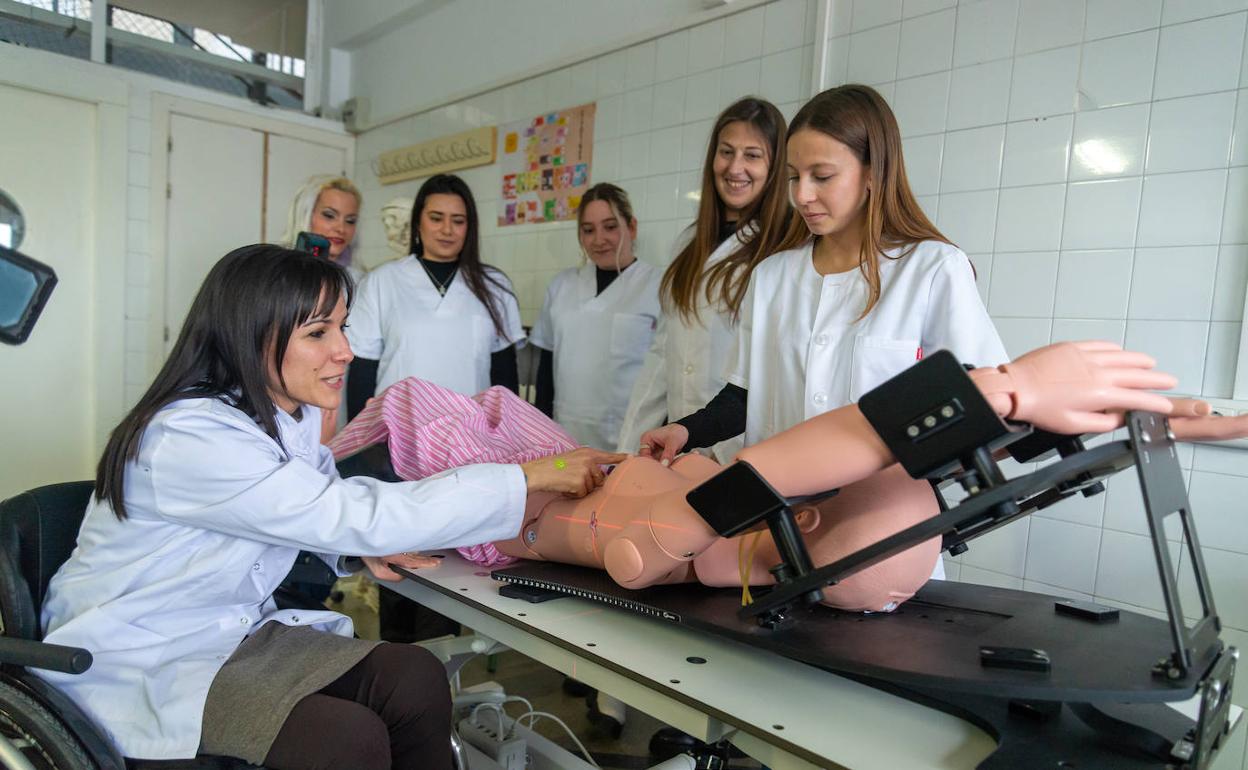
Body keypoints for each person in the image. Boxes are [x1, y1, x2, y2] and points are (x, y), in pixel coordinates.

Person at [36, 245, 622, 769]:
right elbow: (343, 510)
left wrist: (357, 550)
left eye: (343, 327)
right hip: (140, 657)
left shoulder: (280, 419)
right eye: (319, 333)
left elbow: (315, 513)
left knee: (414, 676)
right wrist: (523, 476)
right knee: (344, 739)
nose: (345, 351)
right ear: (250, 335)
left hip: (224, 634)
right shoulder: (190, 435)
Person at [329, 342, 1245, 611]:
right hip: (680, 532)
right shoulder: (678, 537)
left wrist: (1169, 417)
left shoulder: (536, 470)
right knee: (822, 509)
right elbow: (781, 475)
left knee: (880, 484)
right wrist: (1003, 392)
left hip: (698, 502)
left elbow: (800, 470)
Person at [640, 86, 1008, 586]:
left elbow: (980, 400)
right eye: (793, 177)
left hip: (883, 539)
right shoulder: (773, 277)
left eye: (823, 176)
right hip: (775, 532)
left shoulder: (931, 269)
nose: (802, 195)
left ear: (873, 173)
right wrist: (687, 430)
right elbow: (744, 394)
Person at [617, 97, 795, 463]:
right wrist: (629, 447)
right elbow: (662, 356)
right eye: (726, 152)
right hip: (682, 444)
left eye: (752, 155)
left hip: (746, 449)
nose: (735, 167)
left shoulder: (789, 243)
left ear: (776, 164)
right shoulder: (689, 242)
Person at [346, 174, 524, 420]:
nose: (447, 230)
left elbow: (504, 376)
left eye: (458, 221)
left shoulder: (495, 286)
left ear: (469, 227)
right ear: (418, 222)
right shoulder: (382, 281)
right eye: (436, 218)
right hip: (398, 432)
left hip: (472, 434)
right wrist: (360, 444)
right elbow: (362, 370)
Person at [531, 183, 661, 449]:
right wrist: (539, 432)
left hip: (631, 439)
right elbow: (546, 369)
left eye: (610, 226)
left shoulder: (658, 286)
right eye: (588, 230)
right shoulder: (562, 286)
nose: (599, 239)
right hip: (563, 438)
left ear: (632, 227)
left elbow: (667, 372)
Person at [280, 175, 364, 285]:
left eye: (350, 221)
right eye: (329, 215)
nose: (341, 229)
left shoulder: (362, 282)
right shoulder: (278, 273)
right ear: (306, 215)